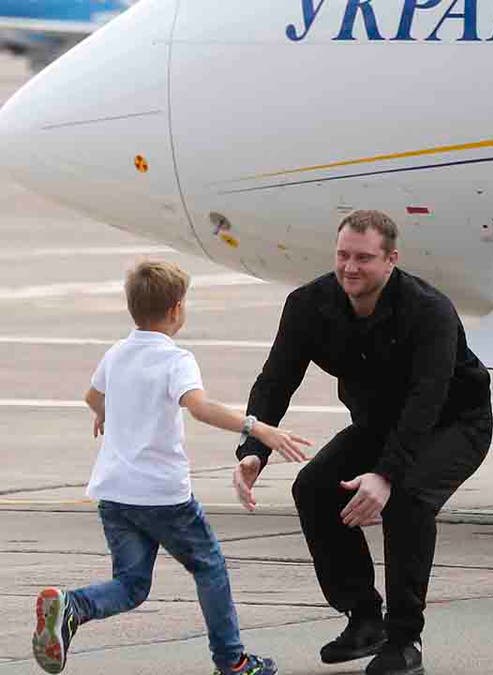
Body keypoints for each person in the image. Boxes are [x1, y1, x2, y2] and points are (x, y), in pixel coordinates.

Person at [233, 210, 493, 675]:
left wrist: (386, 474)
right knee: (313, 488)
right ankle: (364, 618)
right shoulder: (309, 305)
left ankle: (404, 638)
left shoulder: (429, 311)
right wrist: (253, 449)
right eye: (342, 256)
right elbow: (276, 379)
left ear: (391, 259)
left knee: (407, 501)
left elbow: (426, 400)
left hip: (454, 423)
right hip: (378, 423)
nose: (350, 268)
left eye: (364, 258)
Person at [32, 261, 310, 675]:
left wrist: (107, 413)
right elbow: (199, 408)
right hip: (163, 497)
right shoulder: (176, 359)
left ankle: (74, 605)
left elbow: (92, 396)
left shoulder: (117, 352)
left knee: (130, 585)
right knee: (209, 567)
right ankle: (231, 660)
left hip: (114, 494)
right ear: (177, 308)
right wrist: (258, 428)